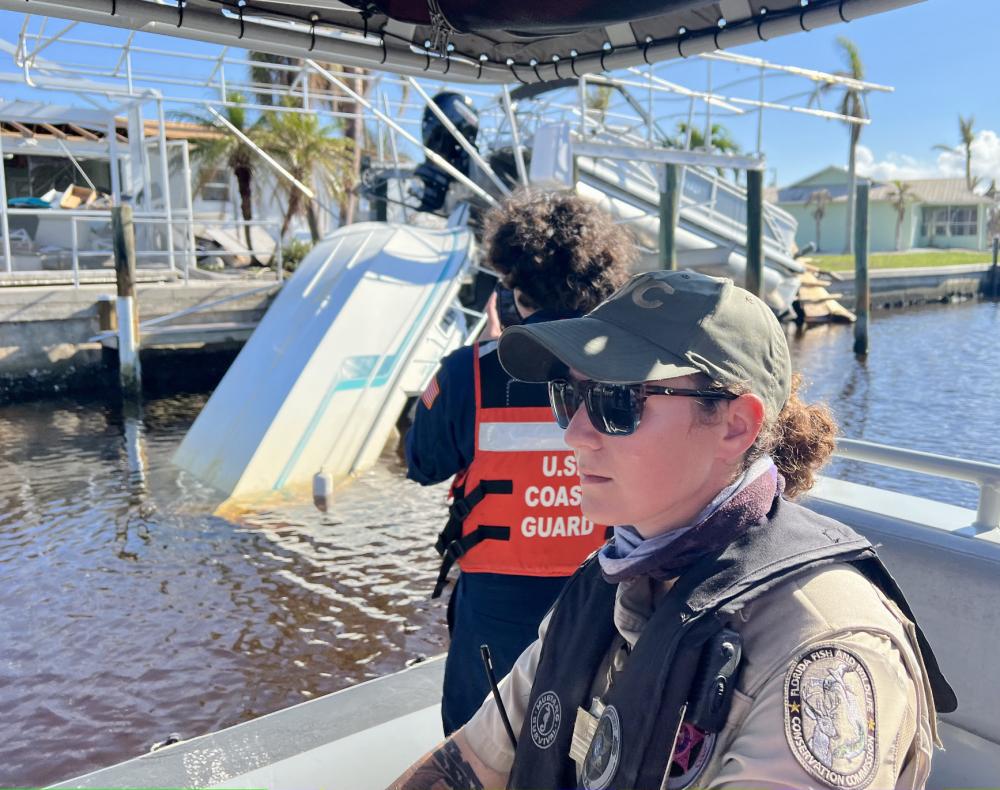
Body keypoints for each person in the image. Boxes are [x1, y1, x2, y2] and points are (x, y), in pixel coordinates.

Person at [391, 269, 956, 789]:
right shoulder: (605, 583)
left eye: (617, 400)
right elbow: (472, 761)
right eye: (569, 396)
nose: (576, 434)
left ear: (734, 424)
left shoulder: (820, 647)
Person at [405, 191, 633, 735]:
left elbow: (422, 463)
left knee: (481, 742)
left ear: (512, 287)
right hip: (607, 601)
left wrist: (483, 353)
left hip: (494, 613)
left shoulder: (468, 374)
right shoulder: (636, 372)